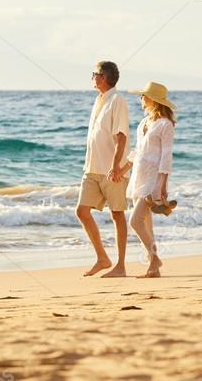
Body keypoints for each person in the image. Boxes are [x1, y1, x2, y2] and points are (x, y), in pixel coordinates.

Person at [75, 60, 130, 278]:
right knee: (81, 211)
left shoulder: (117, 101)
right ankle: (102, 258)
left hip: (111, 171)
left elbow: (121, 136)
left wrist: (116, 166)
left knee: (117, 214)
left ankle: (121, 266)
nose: (92, 77)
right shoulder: (99, 101)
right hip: (92, 169)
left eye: (94, 74)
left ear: (103, 77)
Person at [125, 81, 176, 279]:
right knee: (146, 225)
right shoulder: (144, 122)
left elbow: (166, 156)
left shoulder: (165, 124)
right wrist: (122, 170)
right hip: (139, 175)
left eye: (143, 95)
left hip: (154, 179)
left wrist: (162, 185)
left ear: (153, 100)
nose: (140, 98)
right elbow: (138, 151)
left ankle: (154, 258)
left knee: (135, 222)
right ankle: (153, 268)